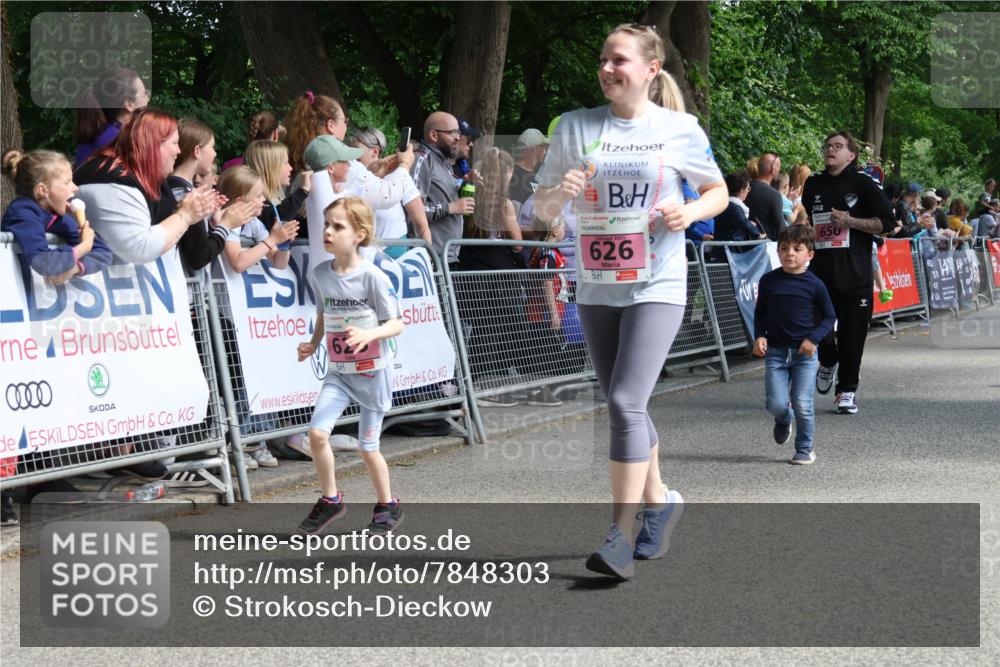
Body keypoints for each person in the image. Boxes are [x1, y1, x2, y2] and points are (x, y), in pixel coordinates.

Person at [533, 23, 726, 579]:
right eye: (603, 59)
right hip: (595, 282)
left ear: (650, 69)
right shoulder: (574, 127)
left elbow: (715, 191)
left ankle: (618, 535)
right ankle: (662, 500)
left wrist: (686, 213)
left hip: (657, 282)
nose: (608, 68)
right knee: (630, 406)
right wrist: (557, 193)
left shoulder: (679, 128)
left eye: (619, 60)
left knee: (622, 402)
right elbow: (541, 213)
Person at [295, 197, 405, 534]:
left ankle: (388, 504)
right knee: (316, 433)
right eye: (326, 224)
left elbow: (396, 323)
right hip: (340, 373)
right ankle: (331, 499)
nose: (327, 231)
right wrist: (313, 343)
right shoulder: (320, 273)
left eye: (337, 226)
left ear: (359, 234)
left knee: (367, 448)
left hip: (372, 372)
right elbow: (324, 313)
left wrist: (368, 333)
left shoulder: (371, 276)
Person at [803, 130, 894, 415]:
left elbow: (888, 222)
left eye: (838, 146)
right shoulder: (813, 183)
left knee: (853, 337)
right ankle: (828, 359)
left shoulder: (863, 184)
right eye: (828, 145)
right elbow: (811, 218)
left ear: (851, 155)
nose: (831, 149)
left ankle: (847, 390)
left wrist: (851, 221)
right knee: (820, 330)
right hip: (820, 273)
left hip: (855, 274)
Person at [75, 108, 224, 266]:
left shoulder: (133, 177)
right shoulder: (113, 180)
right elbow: (140, 248)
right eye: (174, 143)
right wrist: (185, 215)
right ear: (153, 144)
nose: (178, 151)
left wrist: (183, 210)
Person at [753, 225, 835, 465]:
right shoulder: (769, 281)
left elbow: (830, 317)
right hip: (776, 352)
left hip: (805, 353)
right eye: (784, 248)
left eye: (797, 249)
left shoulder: (815, 284)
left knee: (802, 402)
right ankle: (783, 418)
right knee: (776, 403)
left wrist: (813, 339)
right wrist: (759, 336)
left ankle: (805, 448)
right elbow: (760, 312)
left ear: (809, 254)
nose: (789, 253)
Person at [2, 149, 112, 282]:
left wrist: (74, 268)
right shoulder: (23, 212)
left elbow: (104, 253)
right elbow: (42, 261)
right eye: (67, 182)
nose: (75, 187)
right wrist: (83, 247)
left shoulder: (62, 218)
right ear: (43, 190)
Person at [168, 118, 257, 273]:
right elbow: (199, 256)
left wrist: (213, 225)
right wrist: (226, 225)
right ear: (197, 151)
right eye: (212, 147)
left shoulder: (173, 188)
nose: (215, 153)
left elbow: (189, 240)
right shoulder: (187, 196)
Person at [349, 127, 432, 253]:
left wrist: (429, 259)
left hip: (394, 259)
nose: (352, 158)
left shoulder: (399, 176)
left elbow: (422, 226)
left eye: (356, 153)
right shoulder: (351, 175)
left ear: (375, 151)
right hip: (359, 258)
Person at [411, 111, 475, 267]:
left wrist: (467, 182)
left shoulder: (445, 162)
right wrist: (450, 208)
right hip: (431, 259)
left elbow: (444, 198)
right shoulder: (422, 159)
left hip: (448, 258)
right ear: (434, 135)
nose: (458, 138)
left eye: (458, 133)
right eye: (453, 132)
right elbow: (414, 211)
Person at [218, 165, 298, 273]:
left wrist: (284, 244)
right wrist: (273, 239)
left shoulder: (253, 222)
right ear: (239, 202)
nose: (264, 199)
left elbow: (278, 262)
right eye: (259, 195)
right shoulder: (226, 220)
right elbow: (238, 264)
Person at [74, 68, 150, 166]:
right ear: (129, 104)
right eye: (144, 94)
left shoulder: (99, 133)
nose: (147, 100)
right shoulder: (122, 142)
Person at [243, 139, 312, 234]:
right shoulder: (255, 199)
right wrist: (303, 191)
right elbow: (279, 220)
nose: (290, 168)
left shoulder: (275, 194)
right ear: (271, 167)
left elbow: (294, 223)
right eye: (285, 163)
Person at [746, 152, 785, 240]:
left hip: (740, 247)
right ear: (773, 169)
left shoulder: (742, 188)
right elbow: (781, 229)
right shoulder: (774, 195)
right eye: (778, 167)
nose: (779, 171)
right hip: (765, 247)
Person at [509, 128, 549, 205]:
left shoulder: (536, 177)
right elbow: (515, 210)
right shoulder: (514, 175)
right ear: (535, 149)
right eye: (543, 146)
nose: (545, 151)